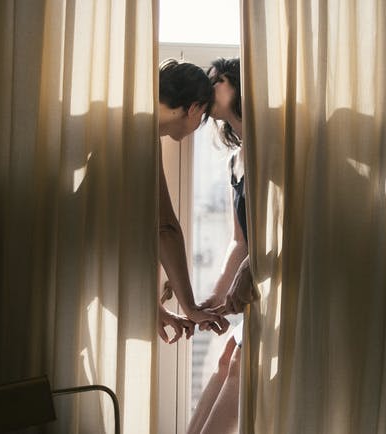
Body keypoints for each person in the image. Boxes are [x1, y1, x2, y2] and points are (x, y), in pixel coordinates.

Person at [186, 57, 259, 434]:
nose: (208, 88)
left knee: (236, 369)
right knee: (225, 361)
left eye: (216, 81)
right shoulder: (236, 161)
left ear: (235, 85)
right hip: (255, 289)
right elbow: (240, 241)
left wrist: (247, 274)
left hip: (277, 289)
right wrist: (215, 297)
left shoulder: (275, 149)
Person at [156, 59, 231, 344]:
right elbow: (164, 227)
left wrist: (155, 308)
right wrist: (190, 307)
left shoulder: (128, 123)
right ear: (194, 108)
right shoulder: (140, 135)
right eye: (203, 116)